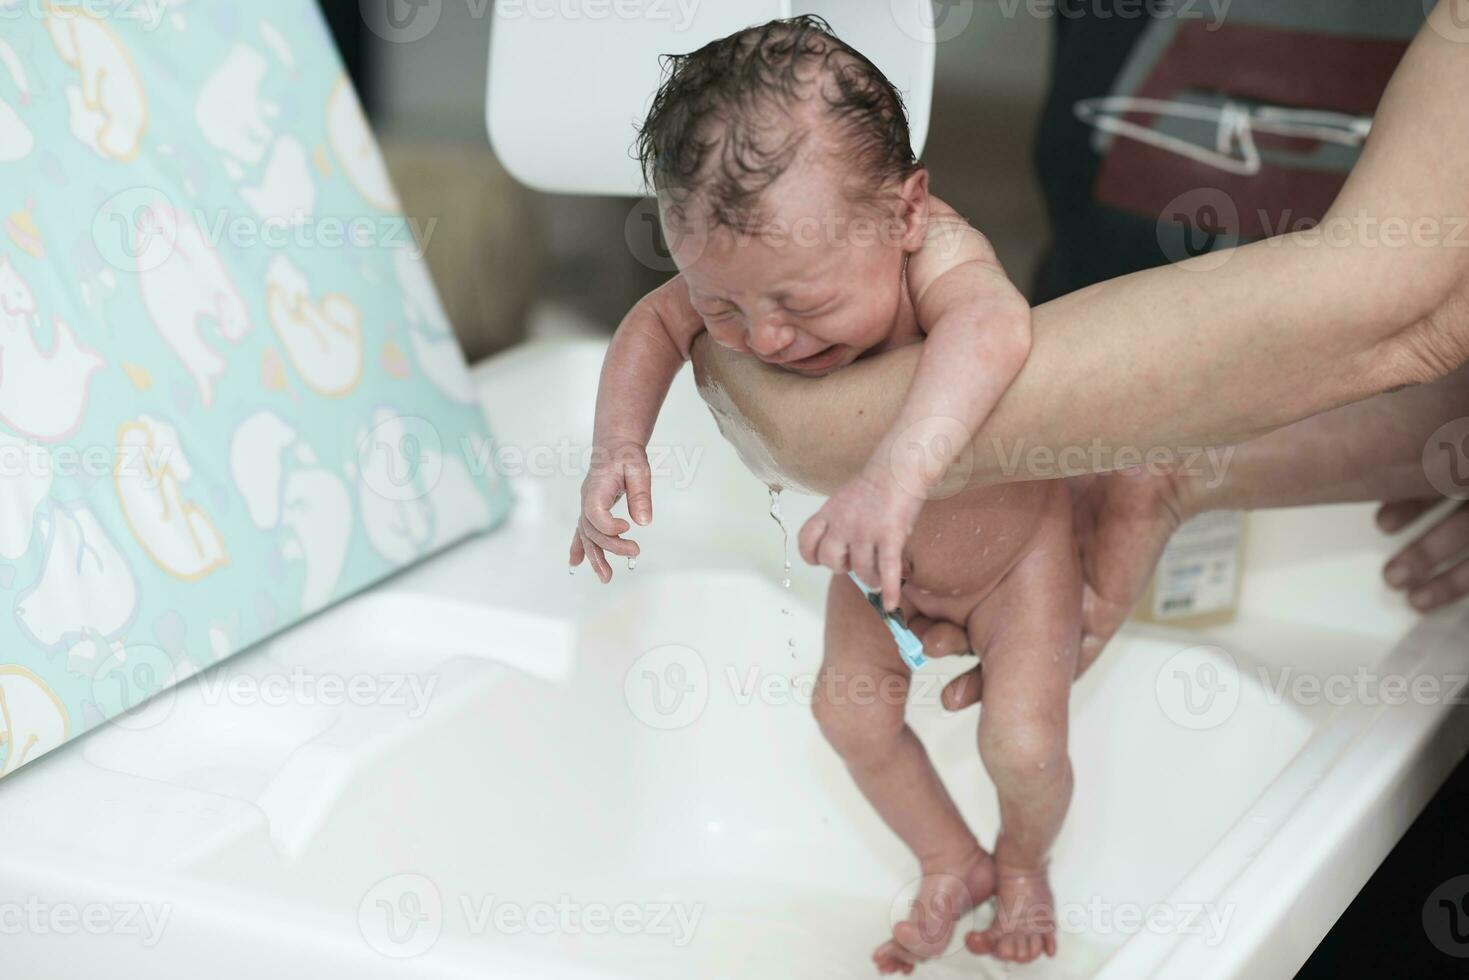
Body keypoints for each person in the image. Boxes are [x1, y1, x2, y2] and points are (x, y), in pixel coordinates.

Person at [571, 16, 1098, 969]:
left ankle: (1022, 863)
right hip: (873, 561)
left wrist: (892, 479)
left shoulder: (940, 252)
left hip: (1014, 560)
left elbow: (994, 330)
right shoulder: (753, 258)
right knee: (847, 716)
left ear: (903, 213)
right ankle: (949, 859)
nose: (765, 340)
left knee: (1021, 747)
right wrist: (616, 446)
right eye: (725, 306)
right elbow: (649, 324)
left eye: (802, 304)